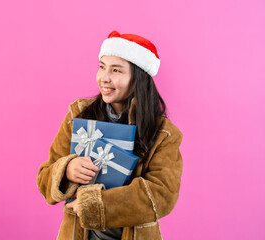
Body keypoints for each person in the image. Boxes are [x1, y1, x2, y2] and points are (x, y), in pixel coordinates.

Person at [36, 30, 183, 240]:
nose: (104, 78)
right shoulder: (77, 116)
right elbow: (44, 180)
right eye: (102, 67)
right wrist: (66, 170)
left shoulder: (164, 134)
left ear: (138, 78)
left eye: (116, 70)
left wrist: (93, 204)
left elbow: (162, 195)